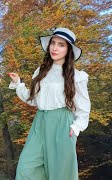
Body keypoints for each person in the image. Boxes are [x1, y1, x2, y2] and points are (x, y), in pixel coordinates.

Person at [8, 28, 90, 180]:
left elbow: (84, 107)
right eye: (53, 43)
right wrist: (18, 84)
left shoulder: (76, 77)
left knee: (60, 174)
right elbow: (33, 99)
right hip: (39, 123)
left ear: (69, 49)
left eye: (61, 45)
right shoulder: (41, 72)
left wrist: (76, 127)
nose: (55, 48)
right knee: (26, 168)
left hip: (62, 124)